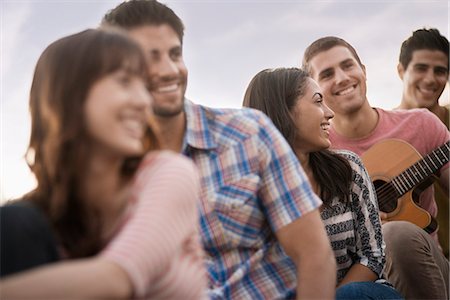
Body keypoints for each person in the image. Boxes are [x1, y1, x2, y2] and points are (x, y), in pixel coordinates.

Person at [102, 1, 337, 299]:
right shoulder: (115, 170)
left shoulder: (248, 133)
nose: (169, 70)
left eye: (175, 54)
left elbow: (314, 255)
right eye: (150, 58)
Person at [1, 28, 206, 299]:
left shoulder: (168, 174)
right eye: (124, 82)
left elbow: (118, 278)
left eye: (144, 87)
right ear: (71, 94)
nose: (144, 102)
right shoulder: (38, 218)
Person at [302, 36, 450, 299]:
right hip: (353, 287)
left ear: (364, 71)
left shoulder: (421, 125)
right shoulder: (315, 152)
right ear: (314, 91)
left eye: (348, 66)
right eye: (327, 74)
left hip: (429, 276)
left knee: (395, 235)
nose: (342, 78)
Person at [243, 67, 403, 300]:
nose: (329, 113)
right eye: (318, 102)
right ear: (283, 111)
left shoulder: (348, 169)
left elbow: (372, 255)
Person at [396, 27, 450, 258]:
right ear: (401, 70)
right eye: (421, 68)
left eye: (440, 71)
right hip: (414, 262)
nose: (430, 79)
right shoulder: (385, 139)